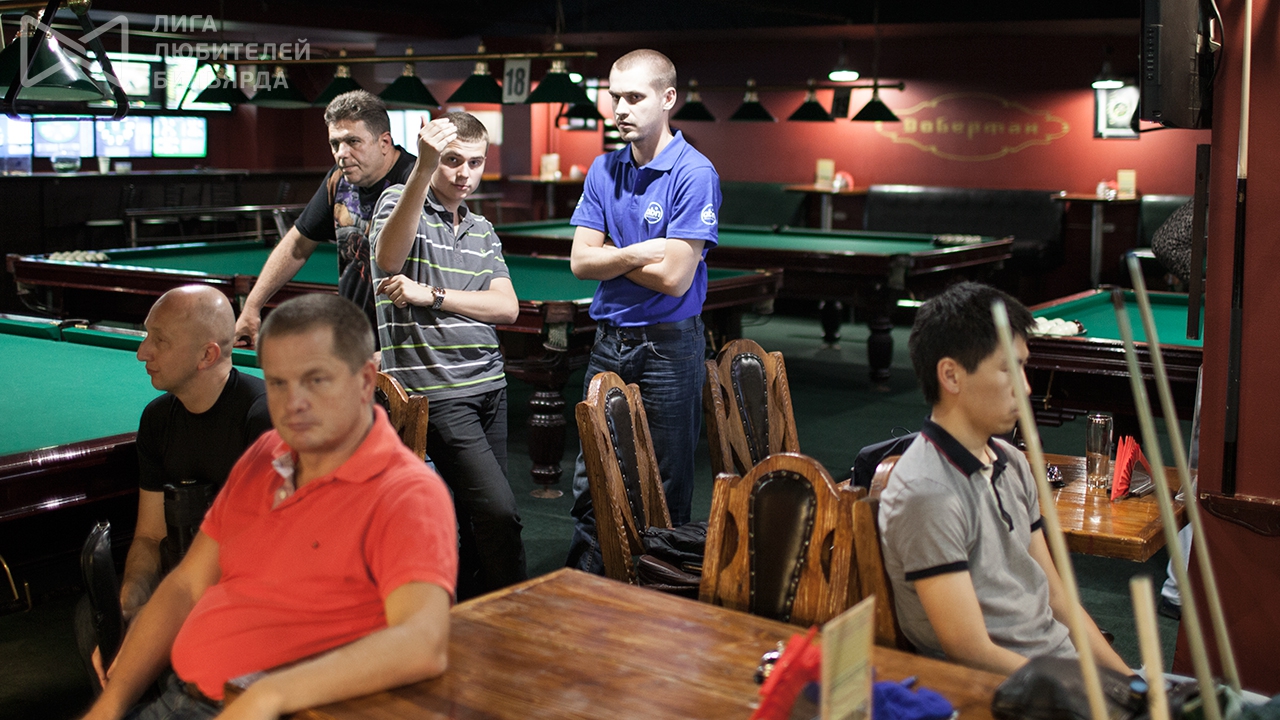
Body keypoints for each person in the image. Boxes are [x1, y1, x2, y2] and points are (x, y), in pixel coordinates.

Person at [82, 294, 457, 720]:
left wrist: (268, 695)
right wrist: (110, 705)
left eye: (316, 380)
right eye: (278, 383)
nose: (293, 403)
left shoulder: (407, 493)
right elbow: (186, 585)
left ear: (365, 379)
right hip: (185, 696)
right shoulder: (266, 454)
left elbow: (423, 641)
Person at [880, 281, 1129, 675]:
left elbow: (1059, 600)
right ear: (951, 375)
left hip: (1063, 671)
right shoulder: (926, 492)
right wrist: (1090, 691)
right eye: (1008, 369)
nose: (1026, 387)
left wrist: (1130, 682)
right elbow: (970, 650)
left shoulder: (1012, 461)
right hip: (1012, 689)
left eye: (1023, 366)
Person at [564, 49, 721, 570]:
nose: (621, 109)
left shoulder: (695, 172)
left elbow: (675, 279)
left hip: (669, 348)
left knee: (665, 486)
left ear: (668, 98)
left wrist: (609, 254)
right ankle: (587, 582)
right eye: (615, 98)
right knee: (592, 475)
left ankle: (658, 590)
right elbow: (580, 263)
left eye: (635, 97)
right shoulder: (603, 167)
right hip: (608, 341)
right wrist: (636, 253)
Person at [80, 286, 274, 689]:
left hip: (250, 600)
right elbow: (150, 536)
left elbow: (265, 562)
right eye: (146, 335)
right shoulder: (156, 419)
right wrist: (130, 601)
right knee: (95, 621)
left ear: (207, 355)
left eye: (160, 340)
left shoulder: (263, 419)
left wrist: (162, 621)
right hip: (184, 587)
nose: (142, 352)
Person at [370, 111, 526, 597]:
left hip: (491, 385)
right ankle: (516, 614)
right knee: (499, 512)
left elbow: (507, 308)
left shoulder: (481, 228)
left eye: (475, 163)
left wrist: (431, 295)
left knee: (480, 520)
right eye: (452, 160)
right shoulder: (398, 201)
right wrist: (422, 166)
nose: (464, 174)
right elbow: (388, 260)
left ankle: (475, 614)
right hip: (437, 393)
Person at [233, 90, 415, 347]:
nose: (342, 153)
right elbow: (297, 245)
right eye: (335, 144)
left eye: (353, 141)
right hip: (355, 339)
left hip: (409, 346)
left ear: (384, 142)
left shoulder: (416, 181)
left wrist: (396, 353)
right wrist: (252, 306)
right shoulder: (338, 180)